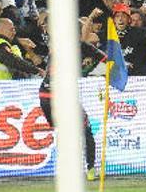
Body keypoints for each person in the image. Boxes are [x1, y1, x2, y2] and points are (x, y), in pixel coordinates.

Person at [38, 19, 104, 181]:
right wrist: (88, 68)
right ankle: (89, 169)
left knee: (64, 132)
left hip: (45, 96)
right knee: (85, 130)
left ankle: (66, 170)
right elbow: (103, 60)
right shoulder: (80, 47)